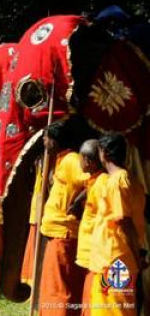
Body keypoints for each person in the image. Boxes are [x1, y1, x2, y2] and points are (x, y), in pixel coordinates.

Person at [85, 133, 146, 316]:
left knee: (116, 309)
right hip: (112, 256)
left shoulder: (118, 181)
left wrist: (136, 254)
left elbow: (124, 220)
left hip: (116, 256)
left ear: (104, 153)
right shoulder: (130, 180)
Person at [37, 120, 86, 316]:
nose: (43, 140)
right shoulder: (59, 159)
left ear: (55, 140)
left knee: (60, 290)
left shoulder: (72, 160)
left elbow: (93, 180)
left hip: (64, 234)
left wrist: (76, 203)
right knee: (53, 287)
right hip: (57, 234)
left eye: (46, 138)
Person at [70, 139, 104, 314]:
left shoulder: (102, 183)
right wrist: (77, 200)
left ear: (87, 161)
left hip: (97, 254)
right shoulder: (93, 181)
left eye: (80, 159)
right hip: (90, 254)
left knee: (92, 304)